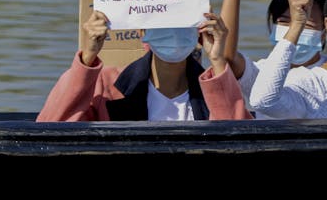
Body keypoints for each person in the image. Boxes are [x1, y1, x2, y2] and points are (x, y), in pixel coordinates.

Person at [36, 8, 252, 121]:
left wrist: (217, 61)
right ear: (142, 32)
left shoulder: (213, 89)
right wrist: (88, 57)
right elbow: (52, 127)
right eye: (162, 21)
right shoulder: (107, 85)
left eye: (183, 21)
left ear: (199, 30)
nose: (173, 29)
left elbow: (243, 143)